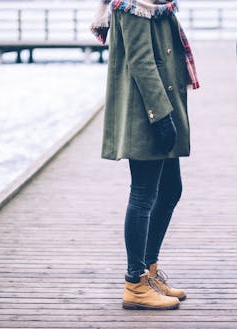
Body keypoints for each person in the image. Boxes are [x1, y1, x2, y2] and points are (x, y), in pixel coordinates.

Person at [90, 0, 199, 310]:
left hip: (161, 107)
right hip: (146, 112)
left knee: (170, 189)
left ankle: (148, 269)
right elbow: (141, 60)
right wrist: (162, 115)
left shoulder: (157, 5)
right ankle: (135, 282)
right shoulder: (135, 5)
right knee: (143, 193)